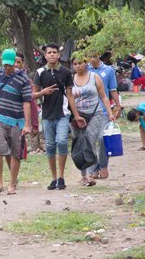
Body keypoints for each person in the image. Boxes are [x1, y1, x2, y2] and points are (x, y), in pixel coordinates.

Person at [33, 44, 82, 191]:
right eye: (49, 52)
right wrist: (43, 92)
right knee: (49, 146)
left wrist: (77, 115)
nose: (52, 55)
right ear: (45, 55)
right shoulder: (40, 72)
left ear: (58, 55)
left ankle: (61, 176)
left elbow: (70, 95)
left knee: (61, 141)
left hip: (63, 114)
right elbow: (33, 95)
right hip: (47, 115)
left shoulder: (66, 72)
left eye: (55, 52)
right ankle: (53, 178)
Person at [0, 48, 31, 195]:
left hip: (17, 120)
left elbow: (26, 102)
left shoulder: (23, 78)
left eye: (10, 65)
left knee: (15, 153)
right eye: (5, 65)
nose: (7, 67)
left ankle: (12, 183)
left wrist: (27, 124)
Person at [70, 53, 116, 186]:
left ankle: (91, 174)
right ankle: (83, 175)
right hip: (77, 116)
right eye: (75, 64)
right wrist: (74, 116)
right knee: (79, 144)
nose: (78, 66)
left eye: (80, 63)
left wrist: (110, 113)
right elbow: (69, 97)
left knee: (90, 141)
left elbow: (104, 96)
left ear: (85, 63)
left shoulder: (94, 77)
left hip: (95, 114)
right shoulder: (71, 79)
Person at [88, 53, 121, 179]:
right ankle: (93, 168)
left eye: (94, 56)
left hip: (104, 110)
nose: (92, 59)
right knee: (90, 140)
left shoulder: (108, 70)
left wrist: (117, 105)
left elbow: (112, 90)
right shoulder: (85, 70)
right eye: (90, 57)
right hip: (88, 111)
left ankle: (103, 165)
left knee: (102, 138)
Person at [14, 52, 41, 154]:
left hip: (21, 119)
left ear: (23, 64)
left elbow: (32, 103)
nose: (15, 64)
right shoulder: (2, 78)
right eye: (14, 61)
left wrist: (34, 124)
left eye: (18, 62)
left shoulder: (26, 82)